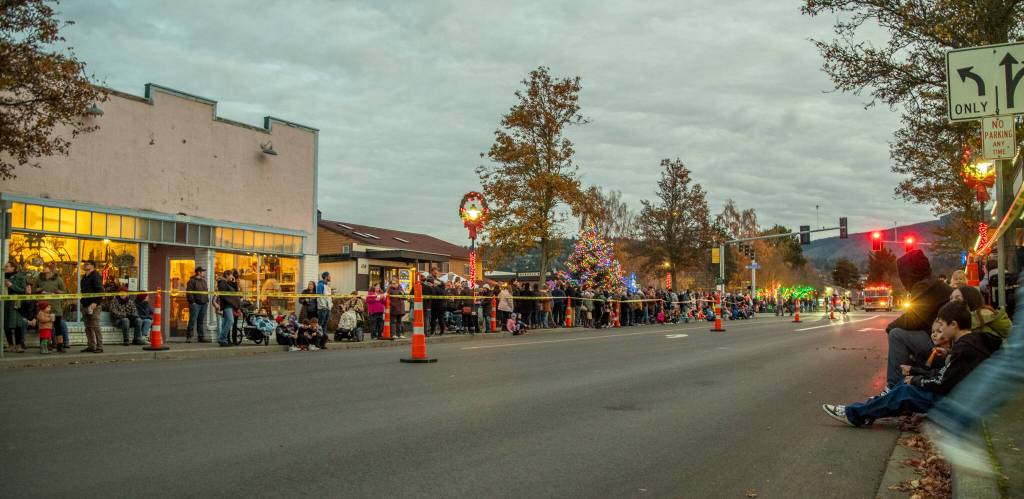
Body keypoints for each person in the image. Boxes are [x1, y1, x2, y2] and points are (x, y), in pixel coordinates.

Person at [822, 300, 1001, 428]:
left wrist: (915, 379)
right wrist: (915, 374)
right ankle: (866, 410)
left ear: (954, 325)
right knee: (905, 383)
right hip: (964, 399)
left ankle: (855, 415)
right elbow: (946, 376)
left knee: (905, 391)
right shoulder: (971, 343)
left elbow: (942, 382)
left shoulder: (964, 348)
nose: (940, 330)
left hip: (958, 405)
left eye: (943, 325)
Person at [881, 249, 952, 393]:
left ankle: (893, 386)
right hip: (947, 339)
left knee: (896, 334)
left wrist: (889, 327)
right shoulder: (933, 283)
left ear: (909, 272)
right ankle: (908, 378)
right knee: (903, 333)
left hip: (943, 343)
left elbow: (913, 319)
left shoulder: (923, 285)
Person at [35, 263, 69, 351]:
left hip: (55, 307)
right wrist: (39, 290)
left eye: (45, 267)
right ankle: (46, 345)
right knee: (45, 327)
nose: (43, 268)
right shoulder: (39, 279)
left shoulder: (58, 279)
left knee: (58, 326)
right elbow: (34, 290)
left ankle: (60, 346)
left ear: (51, 269)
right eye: (43, 267)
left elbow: (64, 291)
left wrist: (58, 291)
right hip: (43, 307)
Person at [4, 261, 29, 353]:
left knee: (17, 324)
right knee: (5, 324)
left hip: (15, 303)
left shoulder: (20, 277)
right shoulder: (2, 276)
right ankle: (10, 345)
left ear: (13, 268)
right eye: (5, 266)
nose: (5, 268)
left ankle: (18, 346)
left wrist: (11, 285)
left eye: (7, 266)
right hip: (4, 303)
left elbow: (23, 290)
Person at [79, 260, 104, 353]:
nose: (85, 265)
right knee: (88, 327)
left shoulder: (96, 276)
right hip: (85, 304)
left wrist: (96, 302)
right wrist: (82, 303)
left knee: (95, 326)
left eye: (88, 264)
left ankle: (99, 346)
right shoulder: (84, 277)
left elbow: (100, 291)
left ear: (93, 266)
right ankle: (91, 345)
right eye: (85, 264)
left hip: (94, 305)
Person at [216, 270, 241, 346]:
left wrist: (234, 282)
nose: (232, 276)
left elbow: (235, 291)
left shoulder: (228, 283)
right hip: (227, 305)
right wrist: (231, 302)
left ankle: (223, 340)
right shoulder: (222, 283)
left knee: (226, 322)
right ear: (227, 275)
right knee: (230, 320)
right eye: (231, 275)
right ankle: (222, 338)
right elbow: (223, 295)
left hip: (230, 305)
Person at [185, 266, 209, 342]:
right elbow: (189, 292)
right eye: (203, 271)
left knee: (200, 321)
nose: (204, 273)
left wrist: (206, 301)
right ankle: (189, 337)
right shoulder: (191, 281)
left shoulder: (204, 281)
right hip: (195, 304)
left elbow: (206, 291)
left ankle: (201, 337)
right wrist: (193, 302)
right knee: (192, 320)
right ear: (199, 272)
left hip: (204, 303)